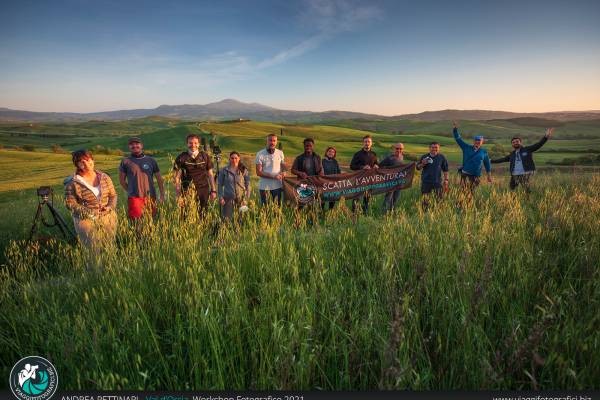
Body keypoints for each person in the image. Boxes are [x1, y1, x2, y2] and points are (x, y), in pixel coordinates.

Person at [64, 149, 117, 249]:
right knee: (92, 252)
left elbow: (113, 195)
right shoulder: (73, 182)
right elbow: (70, 203)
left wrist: (110, 207)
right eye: (81, 162)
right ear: (77, 165)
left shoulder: (104, 177)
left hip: (108, 218)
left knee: (110, 248)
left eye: (88, 160)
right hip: (85, 222)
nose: (86, 164)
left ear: (93, 160)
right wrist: (88, 212)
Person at [119, 137, 164, 220]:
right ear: (129, 147)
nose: (134, 146)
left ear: (142, 145)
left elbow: (159, 179)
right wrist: (130, 191)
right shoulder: (125, 161)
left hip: (150, 196)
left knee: (151, 221)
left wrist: (162, 195)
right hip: (134, 198)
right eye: (132, 144)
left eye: (137, 143)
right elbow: (122, 181)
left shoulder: (151, 160)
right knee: (136, 222)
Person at [173, 134, 217, 216]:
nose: (193, 145)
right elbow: (177, 178)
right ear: (187, 144)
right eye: (190, 143)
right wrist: (178, 196)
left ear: (199, 144)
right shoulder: (181, 157)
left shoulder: (205, 156)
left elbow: (210, 175)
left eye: (195, 143)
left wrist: (213, 190)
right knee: (186, 215)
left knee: (203, 215)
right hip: (186, 191)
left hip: (203, 190)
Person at [452, 121, 492, 194]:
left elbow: (487, 164)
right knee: (463, 193)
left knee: (473, 193)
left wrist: (489, 175)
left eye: (479, 141)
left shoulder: (484, 152)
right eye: (476, 140)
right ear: (473, 141)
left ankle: (470, 205)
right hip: (465, 175)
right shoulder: (466, 147)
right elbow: (458, 139)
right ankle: (461, 205)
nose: (477, 142)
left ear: (482, 142)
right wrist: (455, 129)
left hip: (476, 176)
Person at [217, 151, 250, 222]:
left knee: (240, 219)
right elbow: (219, 184)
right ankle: (226, 232)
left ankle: (238, 232)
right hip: (228, 198)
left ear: (239, 159)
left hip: (241, 199)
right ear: (229, 159)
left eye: (236, 158)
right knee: (227, 219)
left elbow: (248, 185)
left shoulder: (243, 170)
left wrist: (246, 199)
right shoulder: (224, 170)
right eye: (232, 158)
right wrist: (220, 197)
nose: (234, 160)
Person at [350, 135, 378, 212]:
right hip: (359, 180)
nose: (367, 143)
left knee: (367, 198)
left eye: (368, 141)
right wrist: (362, 167)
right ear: (363, 143)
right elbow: (352, 166)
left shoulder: (374, 154)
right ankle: (354, 214)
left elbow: (376, 163)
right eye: (365, 141)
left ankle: (365, 213)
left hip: (369, 180)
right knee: (357, 198)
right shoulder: (357, 154)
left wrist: (376, 165)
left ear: (371, 143)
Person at [255, 133, 286, 206]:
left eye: (274, 141)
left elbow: (283, 167)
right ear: (267, 141)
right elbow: (258, 172)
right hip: (265, 187)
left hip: (277, 186)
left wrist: (284, 172)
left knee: (277, 208)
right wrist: (273, 176)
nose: (272, 142)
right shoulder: (260, 154)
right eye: (270, 140)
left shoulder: (280, 153)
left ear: (276, 142)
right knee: (265, 210)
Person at [417, 142, 449, 207]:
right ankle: (424, 213)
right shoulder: (424, 157)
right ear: (429, 148)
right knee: (425, 200)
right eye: (432, 147)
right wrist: (423, 164)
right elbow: (418, 168)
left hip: (437, 182)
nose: (434, 149)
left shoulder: (441, 157)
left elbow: (445, 170)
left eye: (436, 147)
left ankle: (437, 212)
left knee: (439, 199)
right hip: (426, 182)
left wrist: (446, 180)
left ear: (438, 148)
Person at [379, 143, 405, 213]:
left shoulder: (402, 157)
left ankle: (391, 213)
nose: (399, 150)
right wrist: (385, 175)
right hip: (390, 182)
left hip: (399, 182)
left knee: (395, 198)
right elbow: (379, 166)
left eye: (401, 149)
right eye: (397, 148)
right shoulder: (389, 158)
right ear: (394, 149)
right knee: (388, 198)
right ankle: (384, 214)